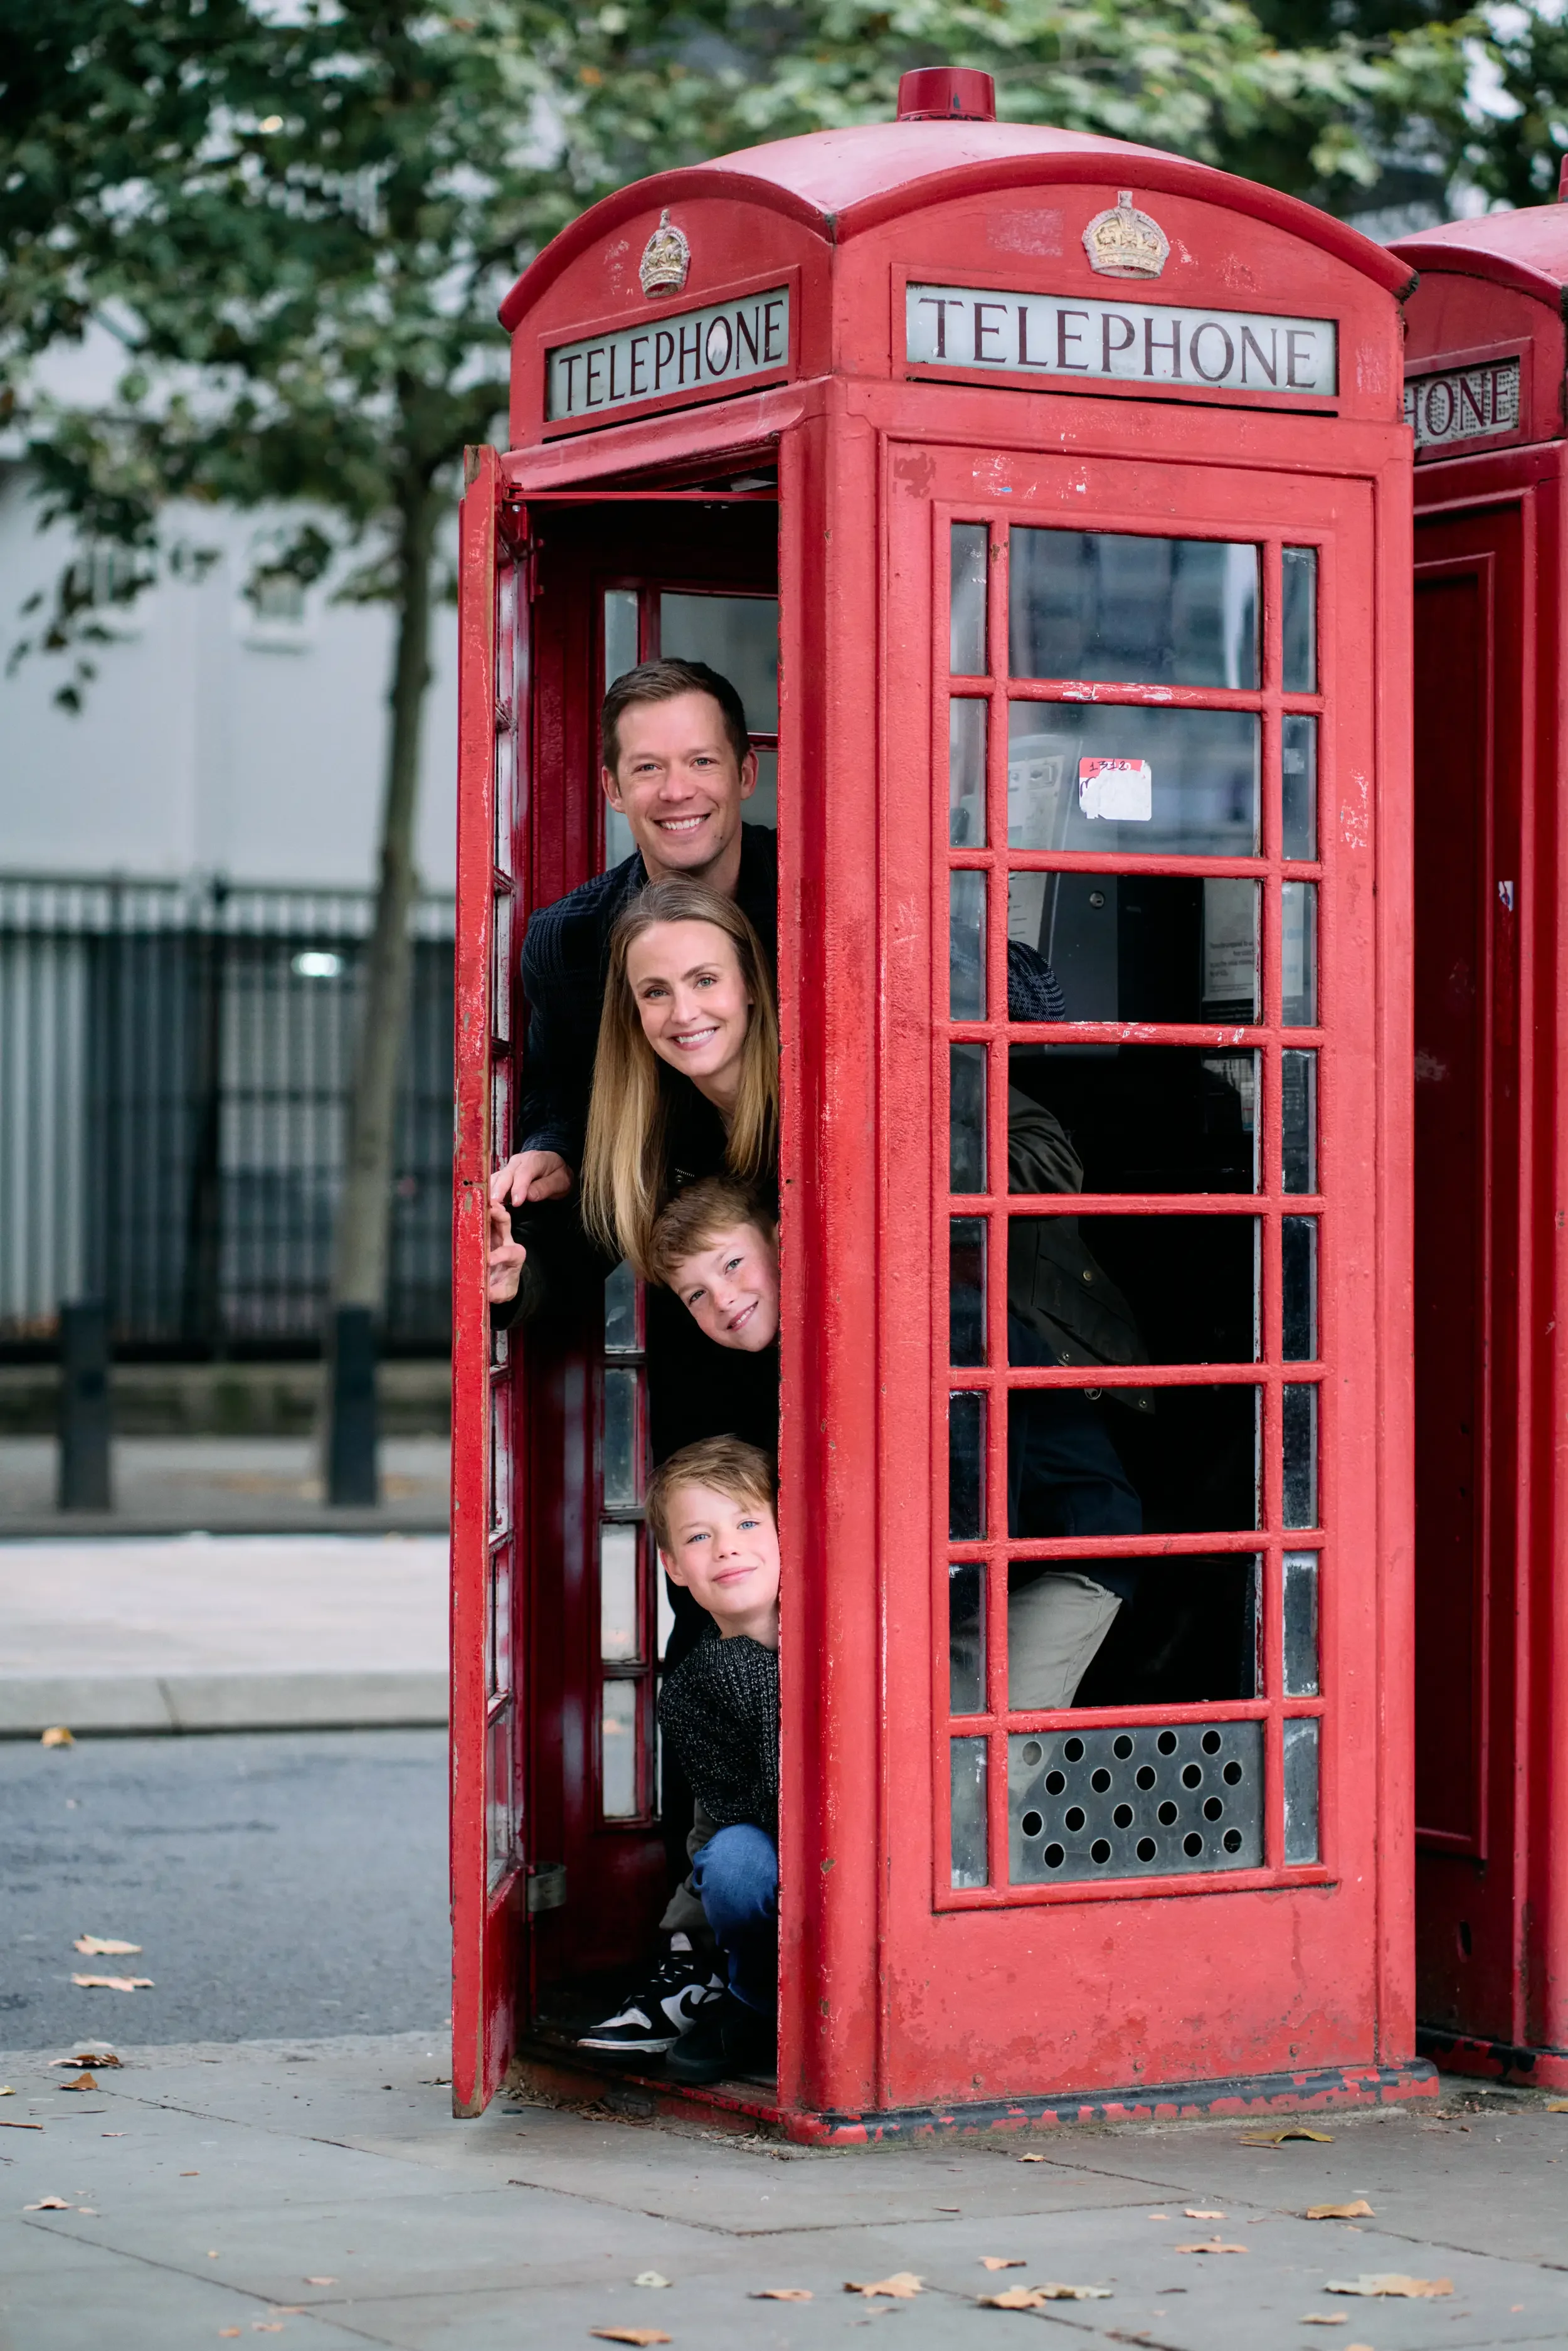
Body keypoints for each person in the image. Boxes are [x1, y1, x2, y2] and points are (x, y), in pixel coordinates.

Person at [645, 1435, 781, 2088]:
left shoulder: (861, 1626)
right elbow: (746, 1816)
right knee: (731, 1861)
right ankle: (756, 2000)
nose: (727, 1547)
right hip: (782, 1857)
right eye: (700, 1537)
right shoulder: (694, 1691)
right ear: (674, 1567)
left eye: (748, 1523)